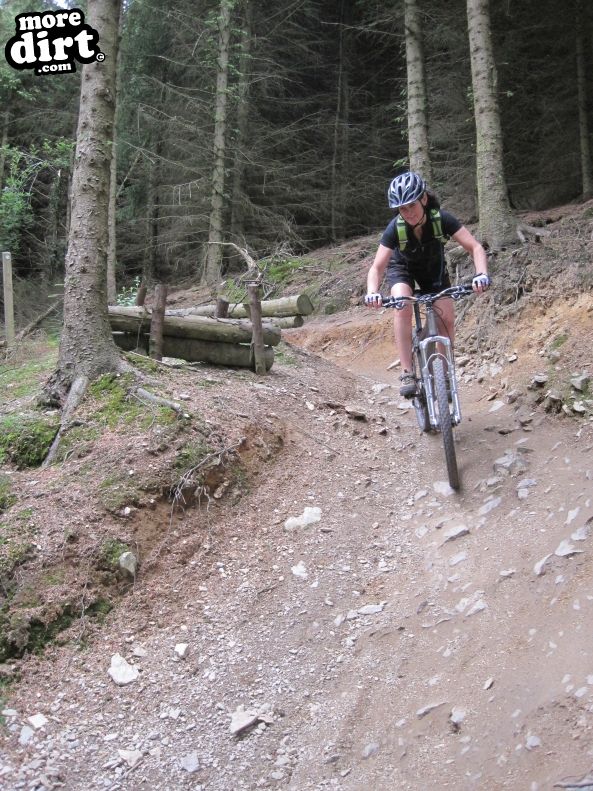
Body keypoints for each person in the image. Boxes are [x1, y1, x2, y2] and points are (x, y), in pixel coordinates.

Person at [365, 171, 490, 397]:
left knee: (447, 319)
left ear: (423, 199)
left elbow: (475, 247)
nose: (408, 212)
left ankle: (444, 370)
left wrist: (481, 274)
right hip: (402, 270)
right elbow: (377, 267)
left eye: (411, 205)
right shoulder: (395, 228)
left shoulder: (442, 219)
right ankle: (407, 371)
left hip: (433, 270)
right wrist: (372, 292)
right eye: (402, 208)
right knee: (402, 305)